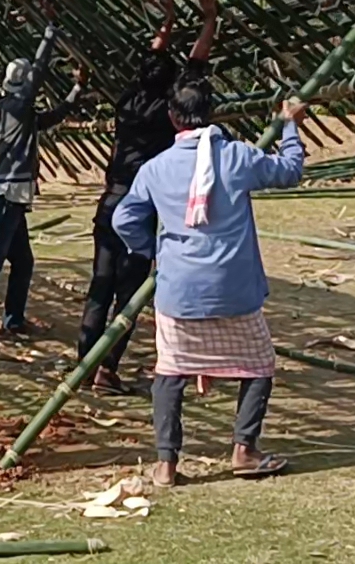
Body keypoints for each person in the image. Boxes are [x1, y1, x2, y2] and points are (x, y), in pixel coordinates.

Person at [114, 81, 305, 487]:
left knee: (170, 373)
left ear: (172, 118)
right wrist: (289, 125)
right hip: (234, 289)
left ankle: (166, 464)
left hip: (179, 290)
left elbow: (124, 219)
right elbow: (290, 171)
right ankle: (244, 450)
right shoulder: (237, 157)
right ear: (212, 113)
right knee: (258, 366)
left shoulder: (156, 168)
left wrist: (150, 250)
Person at [80, 0, 216, 395]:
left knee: (100, 285)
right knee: (129, 292)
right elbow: (196, 66)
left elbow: (154, 65)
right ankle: (106, 369)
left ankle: (85, 365)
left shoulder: (128, 102)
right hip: (141, 209)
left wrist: (167, 23)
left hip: (110, 202)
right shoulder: (168, 112)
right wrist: (209, 20)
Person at [0, 20, 86, 339]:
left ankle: (13, 319)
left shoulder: (14, 113)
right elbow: (37, 76)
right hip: (8, 193)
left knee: (23, 261)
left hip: (10, 195)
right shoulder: (16, 107)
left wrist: (76, 90)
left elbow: (52, 117)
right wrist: (50, 34)